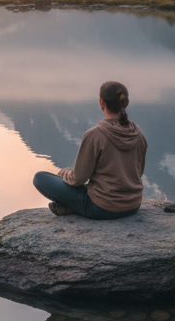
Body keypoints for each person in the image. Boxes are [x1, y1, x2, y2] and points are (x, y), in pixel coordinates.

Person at [32, 80, 147, 219]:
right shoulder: (138, 134)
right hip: (133, 205)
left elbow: (78, 179)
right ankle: (72, 207)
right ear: (124, 103)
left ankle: (73, 207)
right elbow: (138, 173)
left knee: (40, 178)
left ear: (101, 102)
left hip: (102, 207)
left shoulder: (95, 135)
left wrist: (63, 173)